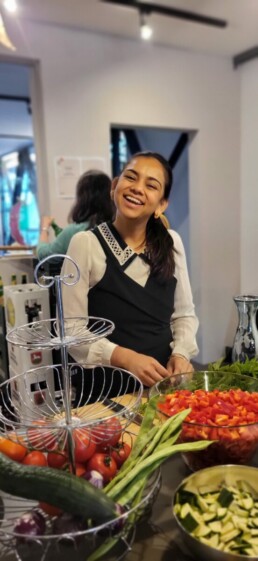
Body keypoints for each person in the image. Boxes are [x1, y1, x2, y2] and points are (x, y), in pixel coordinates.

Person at [61, 152, 199, 388]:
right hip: (107, 391)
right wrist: (124, 358)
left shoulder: (172, 242)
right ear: (114, 186)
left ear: (161, 204)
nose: (137, 188)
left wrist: (181, 354)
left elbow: (184, 314)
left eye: (151, 185)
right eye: (131, 178)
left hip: (162, 386)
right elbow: (71, 331)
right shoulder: (85, 243)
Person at [36, 170, 114, 261]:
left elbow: (45, 255)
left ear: (83, 198)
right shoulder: (117, 228)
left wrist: (44, 228)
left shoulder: (75, 232)